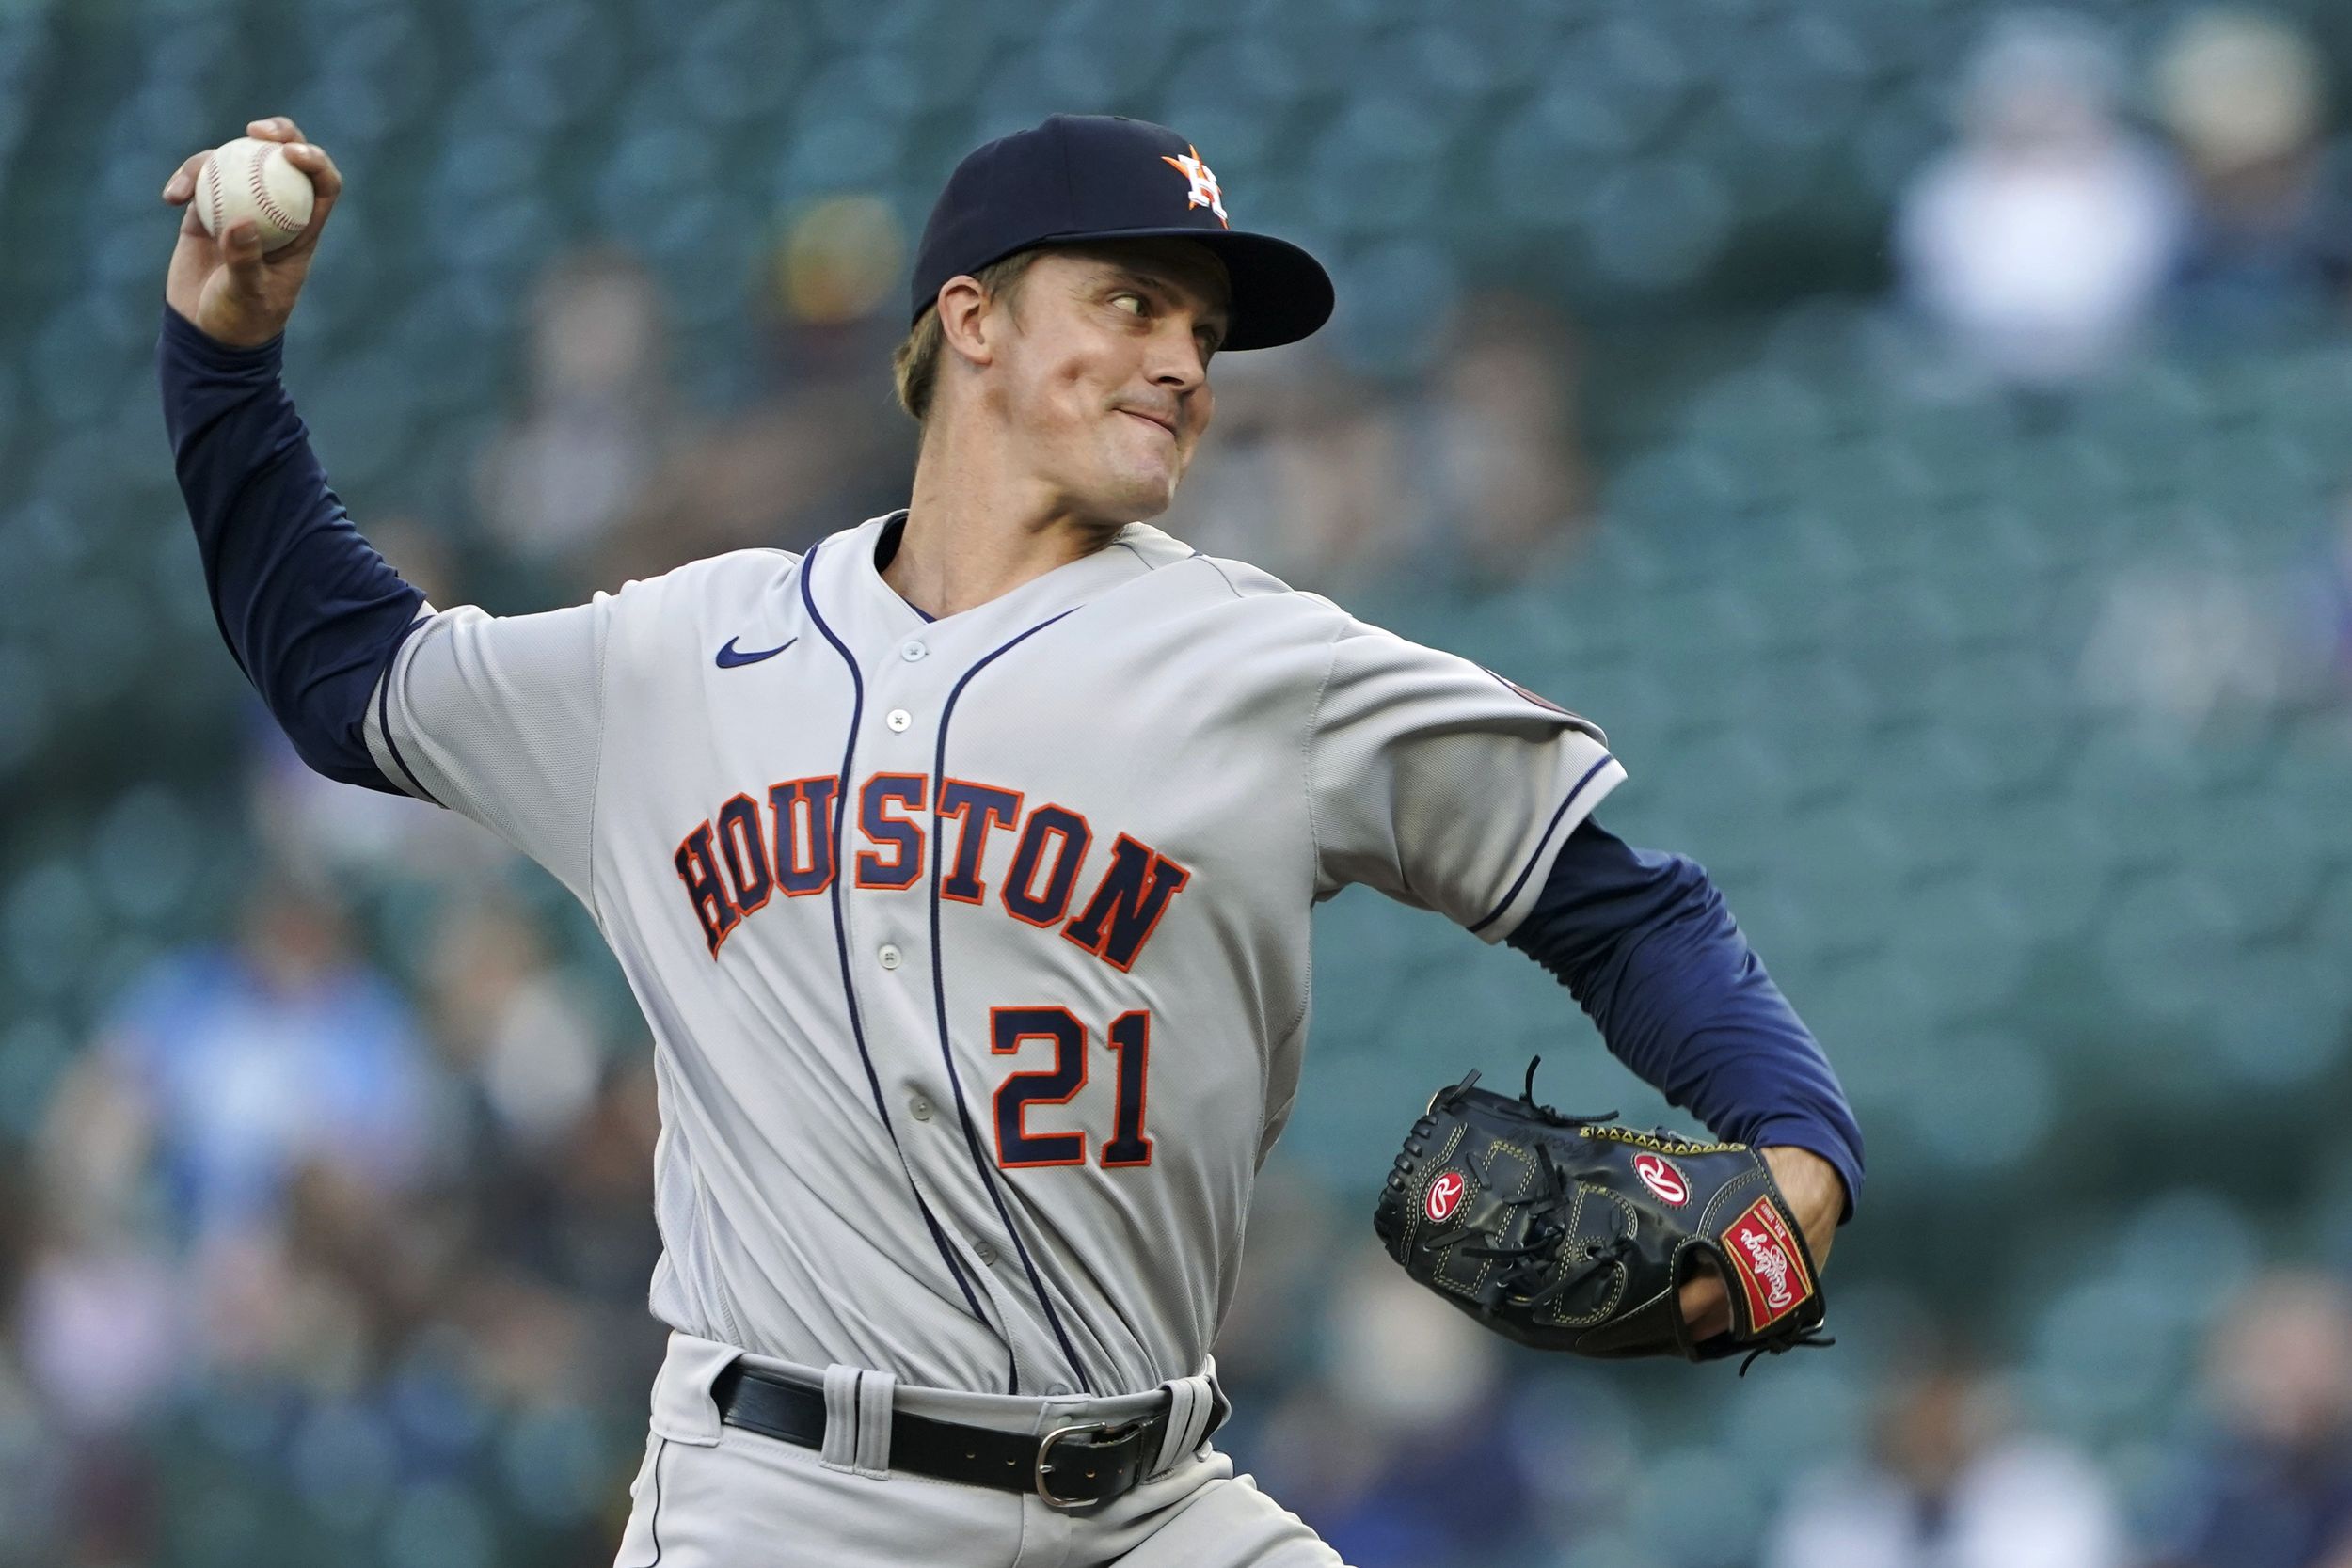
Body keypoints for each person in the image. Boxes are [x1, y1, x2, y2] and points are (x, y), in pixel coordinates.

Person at [156, 111, 1862, 1566]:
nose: (1185, 361)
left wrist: (1799, 1151)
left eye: (1202, 324)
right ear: (969, 320)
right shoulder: (681, 656)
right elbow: (343, 673)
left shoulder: (1276, 669)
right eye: (1130, 301)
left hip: (1153, 1499)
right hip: (786, 1500)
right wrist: (224, 361)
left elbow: (1625, 910)